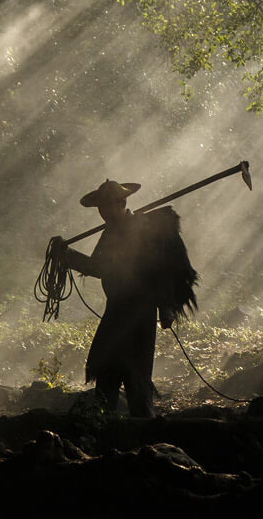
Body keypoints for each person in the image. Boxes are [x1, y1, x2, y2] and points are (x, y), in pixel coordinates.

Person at [49, 179, 197, 417]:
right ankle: (106, 430)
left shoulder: (139, 230)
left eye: (107, 206)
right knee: (108, 372)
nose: (103, 212)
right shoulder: (111, 232)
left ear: (121, 203)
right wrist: (66, 254)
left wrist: (69, 256)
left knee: (135, 376)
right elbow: (98, 267)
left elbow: (107, 269)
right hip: (118, 310)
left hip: (138, 313)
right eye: (100, 207)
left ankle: (142, 433)